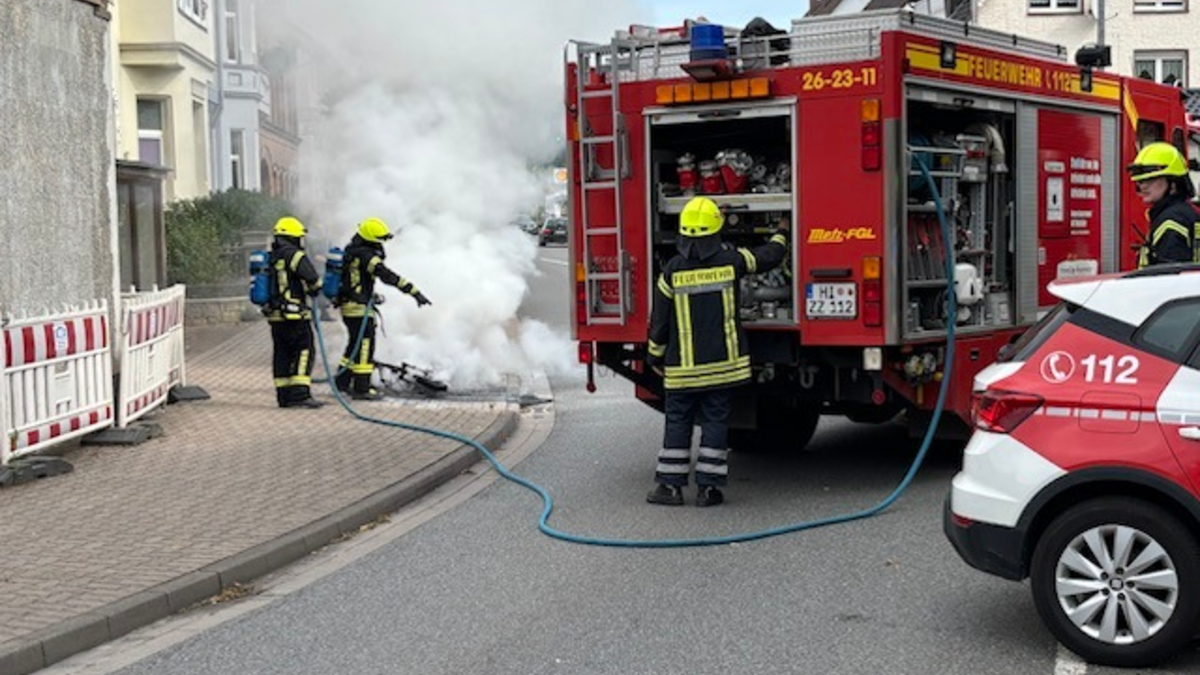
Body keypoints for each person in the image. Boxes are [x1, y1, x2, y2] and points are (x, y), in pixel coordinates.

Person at [645, 197, 788, 507]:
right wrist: (782, 230)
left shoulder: (670, 272)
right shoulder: (730, 261)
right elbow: (769, 257)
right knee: (715, 422)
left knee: (678, 421)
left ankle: (669, 488)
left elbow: (659, 323)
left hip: (682, 370)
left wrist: (655, 357)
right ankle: (709, 490)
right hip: (724, 367)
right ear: (716, 231)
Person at [334, 217, 432, 400]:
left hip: (350, 306)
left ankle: (342, 382)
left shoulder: (353, 252)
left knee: (354, 345)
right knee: (364, 346)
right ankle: (362, 389)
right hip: (358, 309)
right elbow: (387, 276)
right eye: (379, 240)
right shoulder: (366, 256)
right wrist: (413, 292)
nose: (381, 244)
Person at [267, 216, 324, 409]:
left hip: (275, 315)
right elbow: (312, 278)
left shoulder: (272, 256)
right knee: (304, 349)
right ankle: (300, 395)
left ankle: (284, 396)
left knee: (281, 353)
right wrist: (315, 289)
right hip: (295, 315)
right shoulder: (295, 255)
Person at [1127, 141, 1197, 268]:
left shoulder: (1171, 222)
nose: (1143, 186)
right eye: (1140, 180)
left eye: (1151, 179)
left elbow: (1169, 279)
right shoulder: (1184, 212)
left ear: (1173, 184)